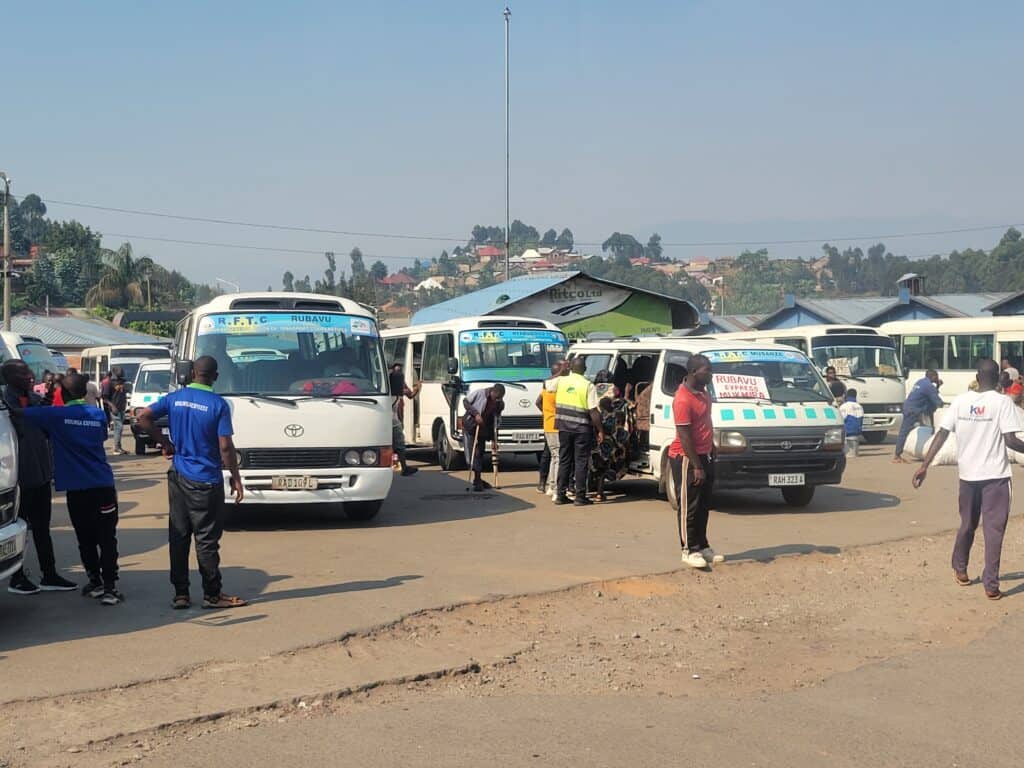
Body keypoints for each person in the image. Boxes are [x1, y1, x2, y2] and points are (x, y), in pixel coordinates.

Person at [138, 356, 247, 610]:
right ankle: (212, 595)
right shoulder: (218, 404)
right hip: (205, 480)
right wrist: (236, 477)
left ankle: (181, 594)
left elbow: (143, 417)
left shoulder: (175, 398)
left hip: (178, 476)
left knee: (179, 535)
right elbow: (225, 446)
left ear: (192, 373)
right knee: (206, 539)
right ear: (215, 376)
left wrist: (165, 443)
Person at [913, 359, 1024, 601]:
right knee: (994, 531)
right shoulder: (1003, 402)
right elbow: (1011, 440)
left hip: (968, 477)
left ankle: (960, 568)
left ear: (977, 377)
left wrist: (924, 465)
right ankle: (991, 585)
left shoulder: (961, 401)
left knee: (967, 524)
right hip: (995, 478)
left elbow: (942, 433)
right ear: (998, 378)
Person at [17, 373, 122, 605]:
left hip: (76, 489)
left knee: (84, 537)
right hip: (102, 485)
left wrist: (45, 399)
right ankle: (110, 588)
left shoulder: (54, 415)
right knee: (107, 537)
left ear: (62, 394)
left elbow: (20, 412)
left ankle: (95, 581)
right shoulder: (97, 414)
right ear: (85, 392)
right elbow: (101, 436)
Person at [3, 361, 78, 595]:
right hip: (18, 481)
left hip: (41, 476)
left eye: (28, 371)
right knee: (19, 531)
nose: (29, 376)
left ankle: (49, 574)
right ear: (8, 378)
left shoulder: (35, 400)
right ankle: (17, 578)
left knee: (43, 529)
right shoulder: (5, 405)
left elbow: (47, 429)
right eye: (23, 373)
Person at [667, 354, 721, 569]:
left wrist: (711, 444)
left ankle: (703, 545)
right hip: (686, 458)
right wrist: (697, 465)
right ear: (693, 372)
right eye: (707, 370)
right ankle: (689, 549)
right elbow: (684, 435)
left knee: (704, 504)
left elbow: (705, 422)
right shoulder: (682, 399)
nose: (711, 374)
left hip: (705, 454)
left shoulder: (704, 393)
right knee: (689, 506)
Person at [553, 358, 603, 507]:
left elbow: (546, 384)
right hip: (582, 430)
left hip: (563, 428)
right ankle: (580, 497)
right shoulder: (588, 385)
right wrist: (600, 430)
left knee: (564, 460)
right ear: (585, 369)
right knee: (580, 462)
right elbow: (593, 411)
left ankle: (560, 495)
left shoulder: (561, 381)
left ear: (571, 368)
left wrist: (561, 372)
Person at [462, 384, 505, 493]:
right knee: (472, 455)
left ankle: (478, 480)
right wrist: (476, 414)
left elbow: (496, 422)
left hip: (483, 429)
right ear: (493, 392)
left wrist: (495, 439)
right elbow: (465, 401)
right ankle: (477, 480)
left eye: (500, 398)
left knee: (480, 453)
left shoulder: (499, 404)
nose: (498, 400)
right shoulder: (480, 393)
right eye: (497, 397)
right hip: (470, 426)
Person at [893, 369, 943, 463]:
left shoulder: (921, 381)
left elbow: (930, 396)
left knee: (905, 430)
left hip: (910, 407)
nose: (938, 378)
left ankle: (931, 432)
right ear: (933, 376)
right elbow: (937, 401)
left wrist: (937, 386)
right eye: (936, 376)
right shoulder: (929, 386)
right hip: (913, 410)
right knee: (904, 431)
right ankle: (897, 455)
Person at [536, 360, 567, 498]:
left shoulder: (545, 389)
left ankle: (551, 485)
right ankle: (555, 488)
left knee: (554, 457)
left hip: (548, 425)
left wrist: (545, 412)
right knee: (559, 458)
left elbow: (537, 402)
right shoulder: (557, 391)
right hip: (557, 426)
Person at [389, 363, 421, 477]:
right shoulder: (394, 391)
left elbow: (409, 394)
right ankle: (402, 466)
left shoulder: (392, 388)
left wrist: (416, 389)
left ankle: (398, 465)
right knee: (399, 445)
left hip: (394, 419)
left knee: (395, 445)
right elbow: (408, 393)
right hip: (392, 422)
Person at [104, 368, 128, 455]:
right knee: (119, 427)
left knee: (119, 428)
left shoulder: (123, 382)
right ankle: (117, 448)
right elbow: (105, 398)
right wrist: (112, 406)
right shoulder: (109, 383)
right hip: (115, 408)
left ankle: (119, 447)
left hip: (122, 408)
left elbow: (123, 394)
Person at [840, 388, 865, 457]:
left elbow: (841, 420)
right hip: (858, 432)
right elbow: (861, 420)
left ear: (846, 395)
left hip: (847, 432)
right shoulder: (859, 406)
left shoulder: (843, 406)